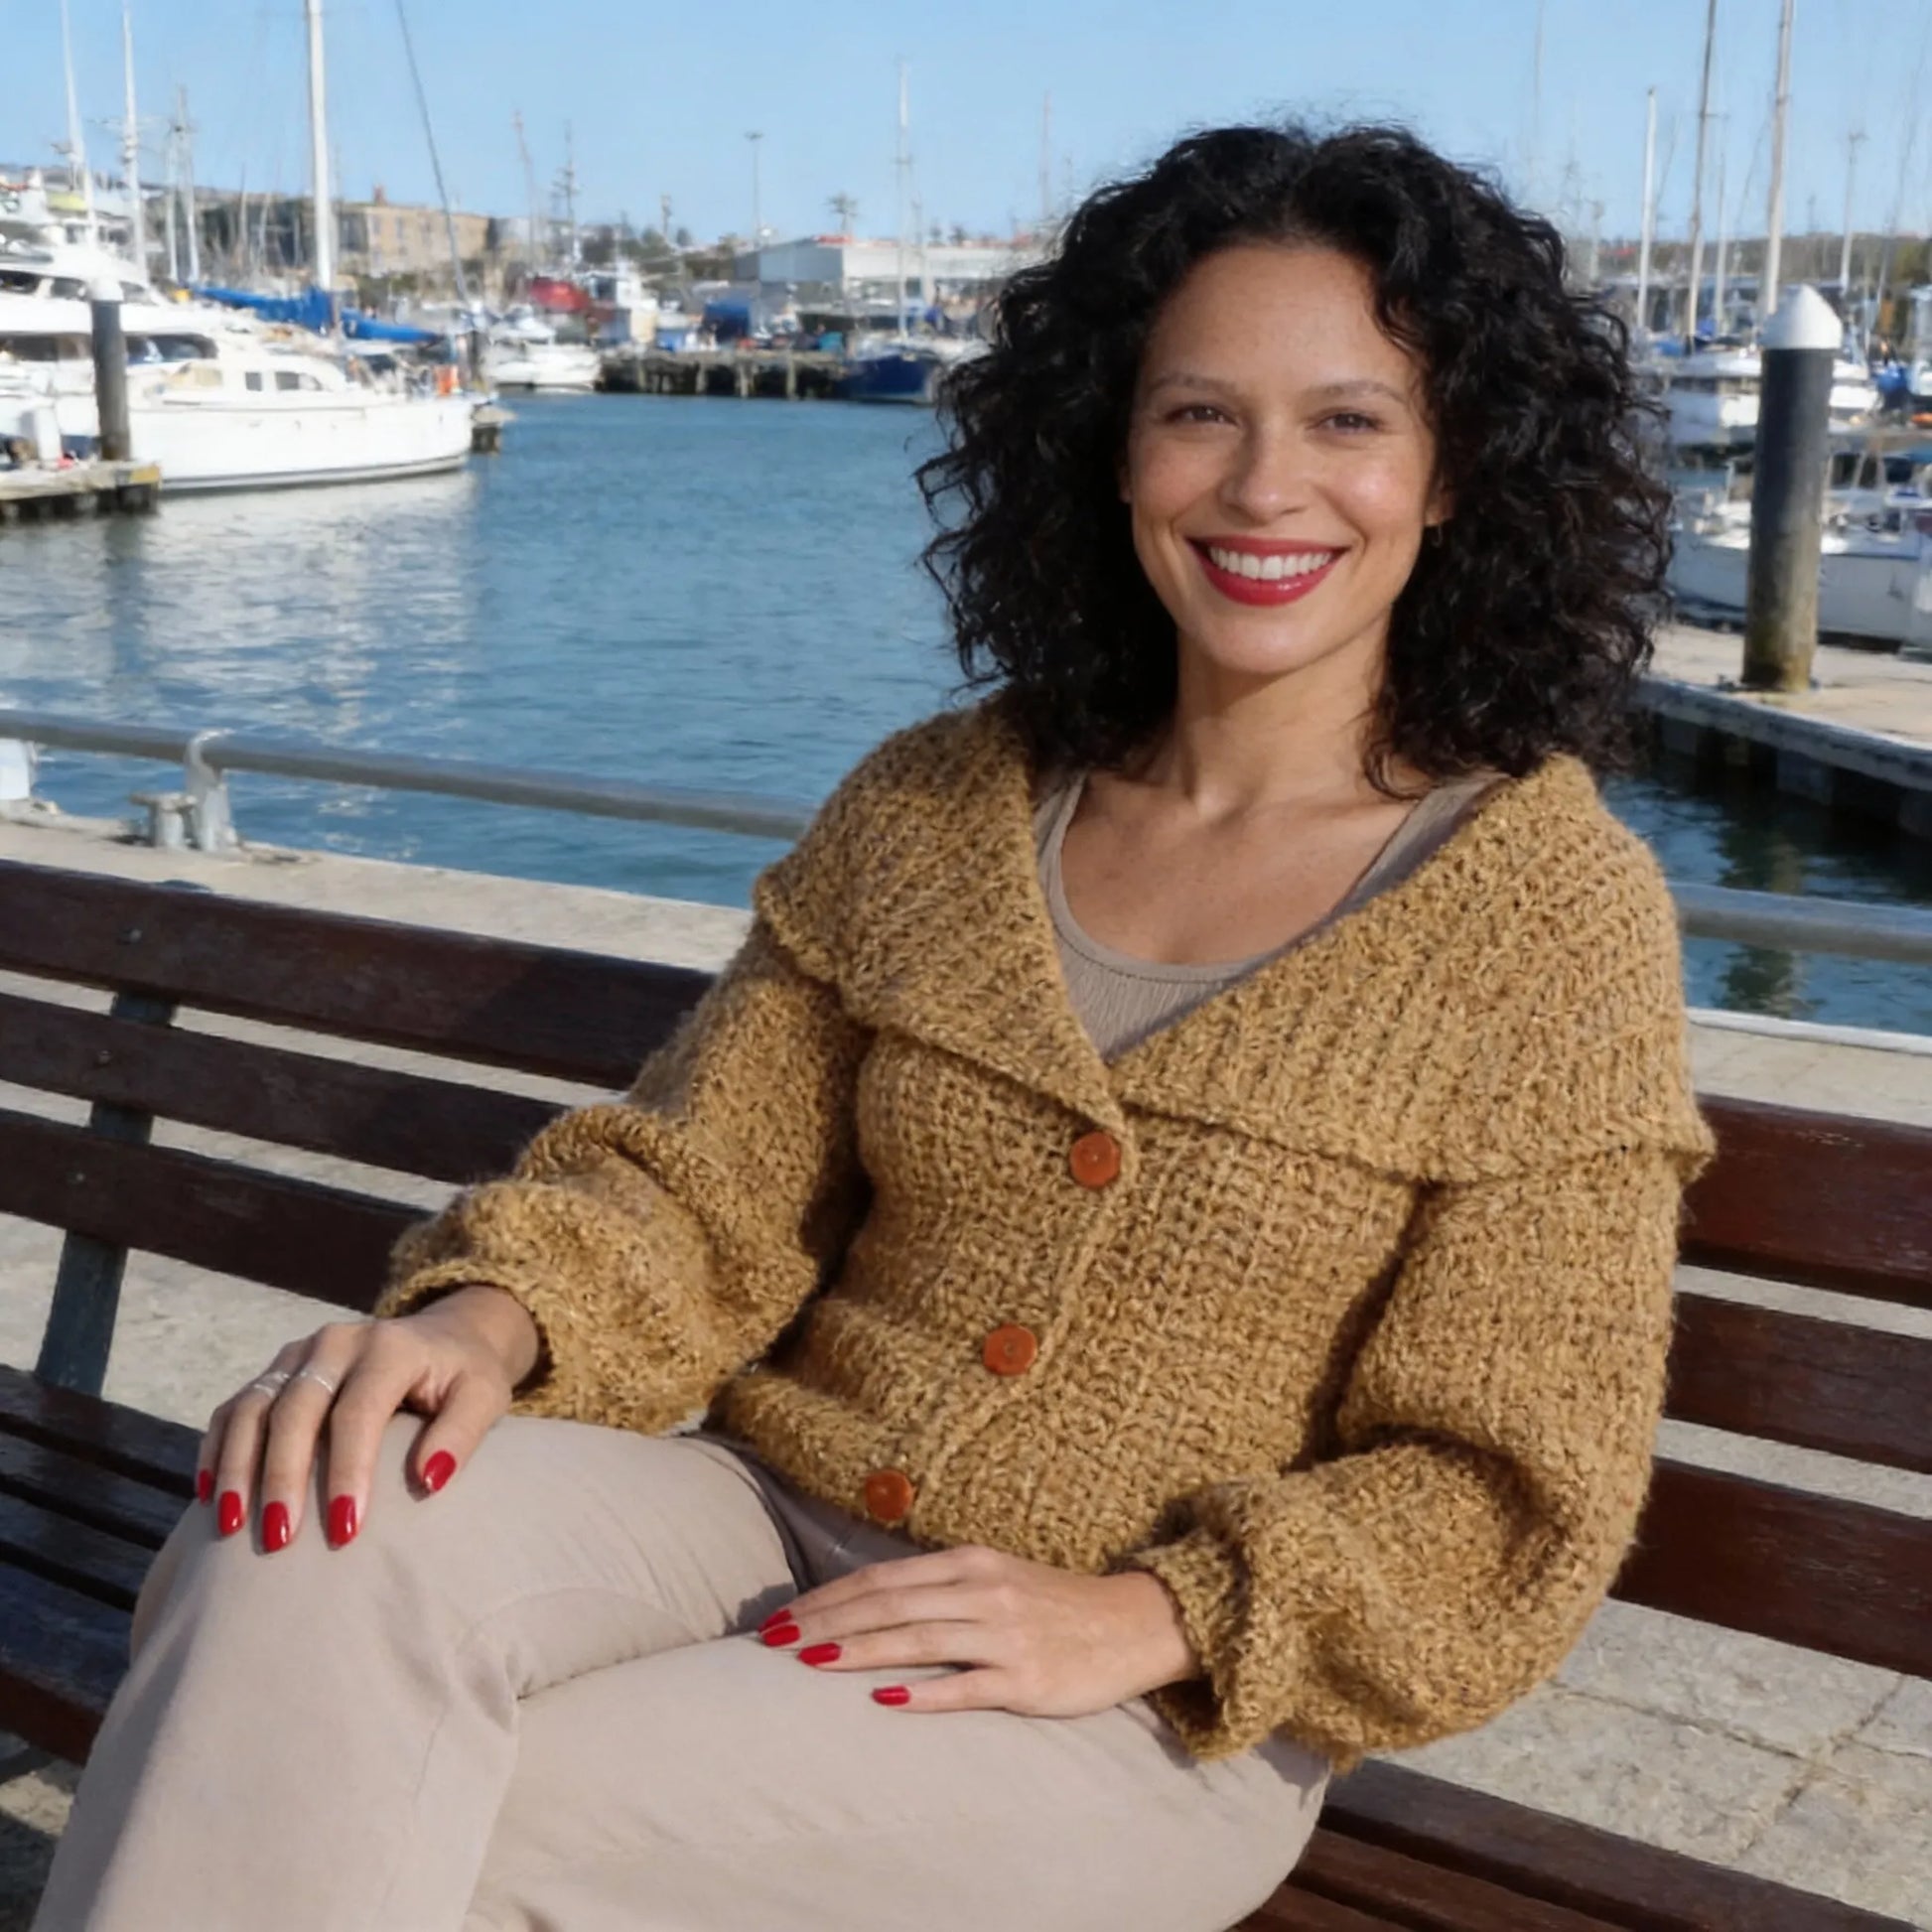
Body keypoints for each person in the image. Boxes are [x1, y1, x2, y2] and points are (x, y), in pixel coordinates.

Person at [36, 120, 1713, 1932]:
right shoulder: (944, 801)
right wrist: (496, 1308)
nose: (1259, 486)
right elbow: (702, 1186)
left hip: (1136, 1696)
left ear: (1456, 470)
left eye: (1347, 420)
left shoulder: (1547, 916)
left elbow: (1509, 1475)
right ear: (1113, 443)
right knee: (301, 1534)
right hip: (753, 1517)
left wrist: (1157, 1613)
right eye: (1198, 412)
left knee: (437, 1819)